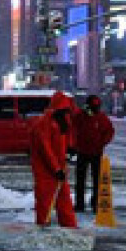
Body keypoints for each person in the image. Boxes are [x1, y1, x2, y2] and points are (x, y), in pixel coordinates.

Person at [30, 91, 77, 228]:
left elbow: (65, 139)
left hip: (59, 168)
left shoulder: (61, 120)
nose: (66, 114)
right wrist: (56, 168)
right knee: (45, 201)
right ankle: (43, 227)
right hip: (45, 170)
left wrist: (70, 149)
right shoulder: (44, 123)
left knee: (64, 200)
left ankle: (69, 226)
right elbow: (46, 149)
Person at [73, 95, 115, 213]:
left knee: (96, 180)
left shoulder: (101, 118)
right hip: (83, 151)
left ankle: (95, 204)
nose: (94, 110)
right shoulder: (80, 116)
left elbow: (109, 132)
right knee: (81, 180)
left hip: (95, 152)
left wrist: (102, 143)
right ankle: (80, 204)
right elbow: (73, 129)